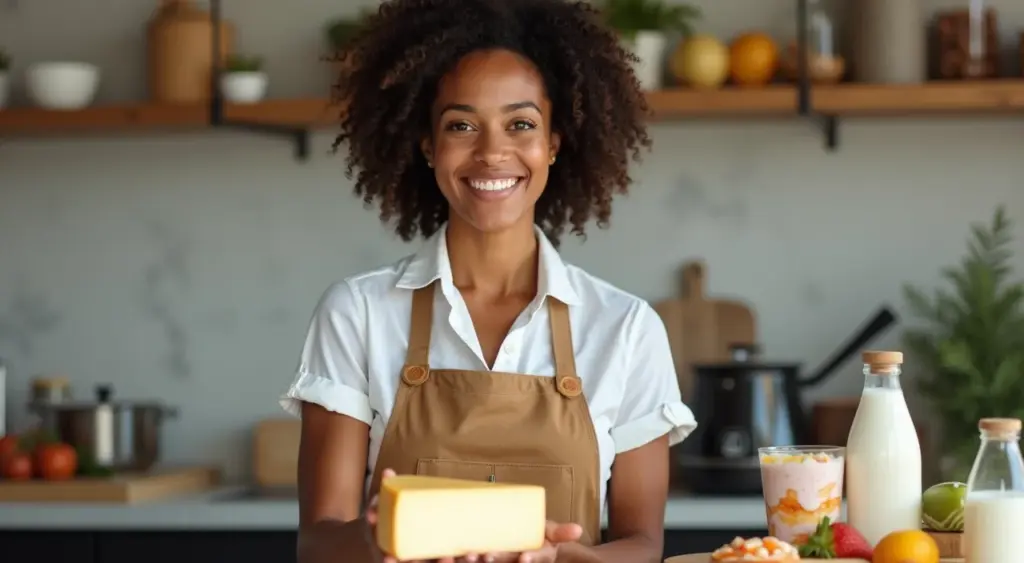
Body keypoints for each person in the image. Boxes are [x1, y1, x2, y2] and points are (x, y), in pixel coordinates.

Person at [280, 0, 696, 561]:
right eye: (461, 125)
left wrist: (562, 556)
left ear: (553, 143)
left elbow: (643, 546)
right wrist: (376, 542)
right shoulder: (358, 313)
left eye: (520, 124)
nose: (493, 151)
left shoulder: (624, 328)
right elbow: (318, 542)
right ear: (428, 145)